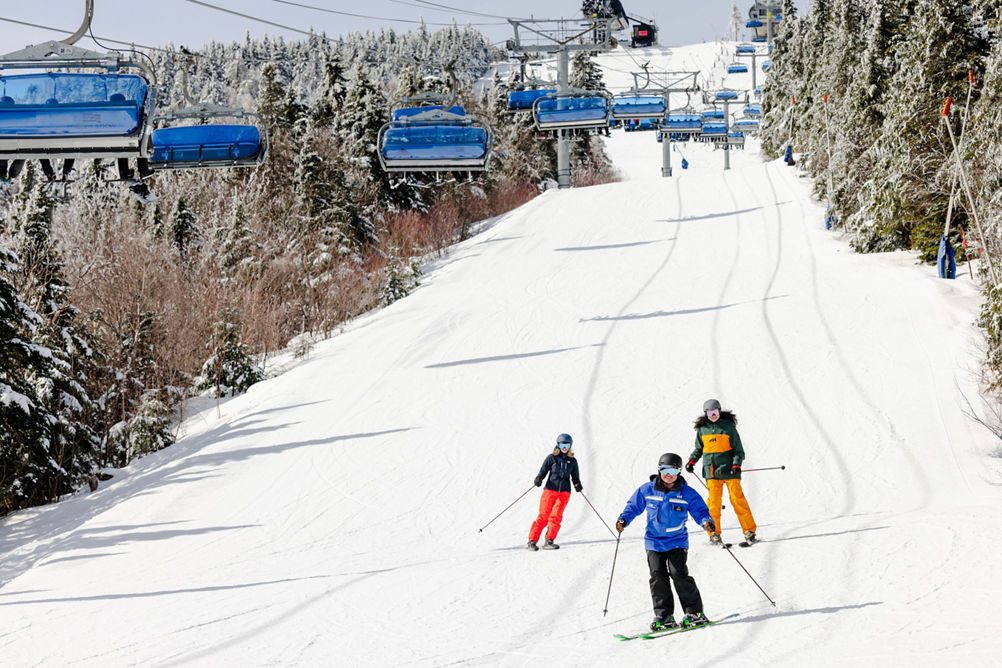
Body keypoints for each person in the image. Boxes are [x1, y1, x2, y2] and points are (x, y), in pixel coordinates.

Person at [616, 452, 714, 631]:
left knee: (678, 574)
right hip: (653, 541)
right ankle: (664, 615)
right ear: (659, 470)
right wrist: (624, 519)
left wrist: (706, 522)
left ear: (679, 472)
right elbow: (633, 506)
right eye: (664, 470)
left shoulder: (686, 493)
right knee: (657, 577)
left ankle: (694, 612)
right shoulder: (647, 489)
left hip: (677, 541)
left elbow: (700, 511)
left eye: (673, 471)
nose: (668, 475)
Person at [686, 399, 758, 547]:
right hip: (711, 472)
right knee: (713, 503)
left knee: (737, 499)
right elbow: (699, 449)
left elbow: (739, 450)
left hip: (730, 470)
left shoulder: (728, 427)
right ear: (705, 414)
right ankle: (714, 533)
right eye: (710, 413)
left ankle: (749, 531)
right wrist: (692, 461)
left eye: (715, 412)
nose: (713, 415)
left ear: (720, 411)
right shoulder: (703, 430)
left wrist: (736, 464)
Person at [527, 433, 582, 551]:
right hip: (550, 490)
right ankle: (532, 540)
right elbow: (543, 471)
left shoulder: (572, 461)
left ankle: (549, 540)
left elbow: (575, 477)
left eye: (567, 445)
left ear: (570, 446)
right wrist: (538, 479)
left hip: (564, 492)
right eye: (562, 444)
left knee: (556, 517)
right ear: (558, 444)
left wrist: (577, 484)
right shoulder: (551, 458)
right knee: (544, 515)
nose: (564, 447)